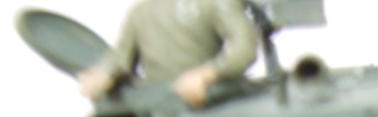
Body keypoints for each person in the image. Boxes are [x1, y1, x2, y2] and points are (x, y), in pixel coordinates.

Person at [77, 0, 258, 108]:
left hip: (213, 100)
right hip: (158, 106)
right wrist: (104, 73)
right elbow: (121, 58)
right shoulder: (140, 13)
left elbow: (244, 49)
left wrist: (207, 74)